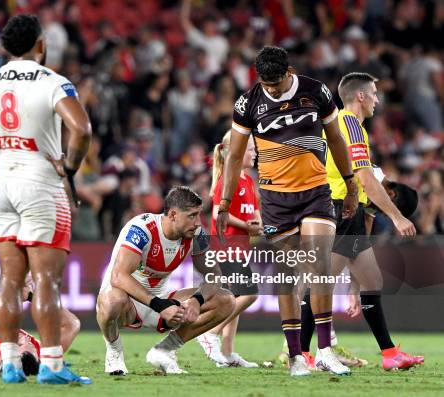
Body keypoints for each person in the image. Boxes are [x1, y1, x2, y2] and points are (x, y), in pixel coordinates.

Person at [0, 14, 92, 384]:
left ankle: (10, 365)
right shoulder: (53, 82)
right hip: (41, 180)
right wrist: (70, 166)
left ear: (4, 47)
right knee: (45, 280)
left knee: (11, 280)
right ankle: (52, 367)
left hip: (4, 182)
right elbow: (82, 128)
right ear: (40, 45)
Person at [216, 46, 358, 376]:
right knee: (288, 274)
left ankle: (324, 350)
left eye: (277, 84)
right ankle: (296, 356)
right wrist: (223, 203)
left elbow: (336, 139)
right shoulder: (248, 103)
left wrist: (350, 184)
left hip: (315, 192)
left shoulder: (315, 91)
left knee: (319, 263)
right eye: (267, 85)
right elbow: (235, 157)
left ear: (288, 72)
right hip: (276, 200)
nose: (273, 90)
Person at [300, 72, 423, 371]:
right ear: (360, 97)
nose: (378, 100)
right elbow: (366, 178)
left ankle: (390, 353)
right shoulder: (350, 124)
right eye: (375, 94)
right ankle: (301, 352)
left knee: (371, 281)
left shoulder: (342, 124)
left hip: (349, 211)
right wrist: (396, 216)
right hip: (339, 208)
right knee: (321, 282)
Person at [97, 186, 235, 375]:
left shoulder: (196, 234)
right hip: (127, 302)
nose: (198, 222)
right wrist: (160, 305)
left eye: (199, 215)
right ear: (172, 215)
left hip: (161, 302)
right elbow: (119, 276)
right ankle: (114, 351)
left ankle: (163, 350)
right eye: (192, 216)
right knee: (112, 301)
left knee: (226, 300)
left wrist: (197, 300)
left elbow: (214, 276)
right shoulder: (142, 228)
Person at [196, 131, 260, 368]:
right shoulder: (227, 180)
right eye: (251, 149)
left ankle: (227, 352)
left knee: (235, 297)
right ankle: (210, 332)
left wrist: (259, 226)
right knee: (250, 293)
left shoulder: (249, 181)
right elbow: (216, 214)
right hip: (226, 246)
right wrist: (247, 226)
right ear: (238, 151)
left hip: (240, 247)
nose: (255, 153)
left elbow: (255, 214)